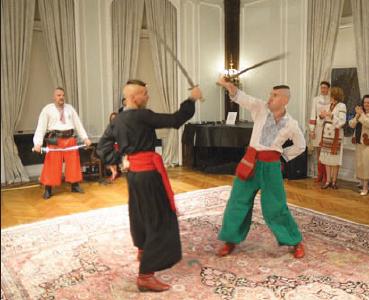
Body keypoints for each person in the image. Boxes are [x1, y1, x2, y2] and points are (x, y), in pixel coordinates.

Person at [96, 79, 201, 292]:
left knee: (140, 213)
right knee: (160, 218)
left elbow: (102, 146)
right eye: (144, 93)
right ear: (135, 98)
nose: (147, 96)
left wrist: (119, 159)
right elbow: (175, 119)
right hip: (148, 175)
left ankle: (143, 249)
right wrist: (192, 99)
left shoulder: (118, 119)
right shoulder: (143, 115)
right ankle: (145, 275)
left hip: (134, 174)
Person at [216, 75, 306, 259]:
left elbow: (301, 146)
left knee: (275, 207)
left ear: (285, 100)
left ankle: (294, 241)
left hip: (271, 167)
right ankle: (230, 240)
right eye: (270, 94)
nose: (270, 98)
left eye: (274, 95)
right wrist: (228, 86)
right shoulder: (260, 108)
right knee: (237, 201)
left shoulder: (291, 124)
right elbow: (241, 96)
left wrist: (283, 158)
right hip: (250, 161)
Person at [33, 87, 92, 199]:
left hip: (70, 139)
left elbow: (78, 124)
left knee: (73, 163)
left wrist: (85, 138)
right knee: (52, 164)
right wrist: (37, 143)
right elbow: (41, 127)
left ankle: (75, 185)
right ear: (54, 97)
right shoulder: (47, 109)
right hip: (55, 140)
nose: (61, 97)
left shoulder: (70, 109)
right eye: (59, 95)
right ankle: (48, 189)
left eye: (63, 95)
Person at [349, 95, 369, 196]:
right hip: (358, 141)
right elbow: (351, 124)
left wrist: (361, 114)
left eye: (368, 103)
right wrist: (357, 116)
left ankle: (365, 187)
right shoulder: (360, 114)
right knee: (360, 164)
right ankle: (362, 183)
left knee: (366, 165)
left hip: (368, 143)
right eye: (365, 102)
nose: (366, 104)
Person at [318, 86, 346, 189]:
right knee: (327, 159)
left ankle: (334, 181)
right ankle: (327, 181)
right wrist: (321, 116)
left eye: (332, 94)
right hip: (326, 135)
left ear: (336, 95)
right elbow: (322, 120)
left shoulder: (342, 106)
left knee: (334, 160)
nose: (330, 96)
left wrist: (331, 116)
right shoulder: (329, 105)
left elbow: (342, 121)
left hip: (336, 136)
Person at [308, 81, 331, 183]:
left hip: (328, 129)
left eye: (325, 88)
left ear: (328, 89)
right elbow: (313, 114)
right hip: (318, 127)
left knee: (326, 152)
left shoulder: (331, 100)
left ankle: (327, 176)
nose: (323, 89)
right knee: (319, 152)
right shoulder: (315, 100)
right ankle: (320, 174)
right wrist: (312, 130)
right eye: (322, 87)